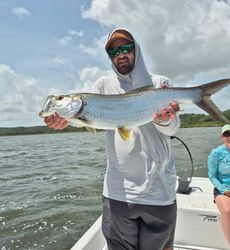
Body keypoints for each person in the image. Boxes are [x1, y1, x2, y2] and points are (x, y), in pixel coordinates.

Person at [45, 28, 180, 250]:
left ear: (136, 49)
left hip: (159, 191)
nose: (121, 54)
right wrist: (60, 120)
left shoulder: (160, 83)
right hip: (118, 193)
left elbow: (173, 128)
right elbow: (87, 117)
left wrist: (165, 120)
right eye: (114, 51)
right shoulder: (102, 85)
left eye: (126, 48)